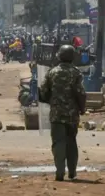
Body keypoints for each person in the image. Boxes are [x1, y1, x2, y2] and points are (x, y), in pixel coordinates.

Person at [38, 44, 86, 181]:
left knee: (58, 142)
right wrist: (82, 108)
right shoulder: (76, 73)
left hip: (56, 114)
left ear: (59, 56)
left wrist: (52, 102)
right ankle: (72, 172)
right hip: (72, 115)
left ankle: (60, 172)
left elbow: (43, 92)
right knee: (71, 142)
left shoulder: (52, 72)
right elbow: (80, 93)